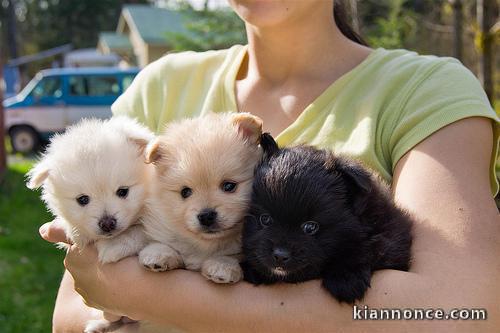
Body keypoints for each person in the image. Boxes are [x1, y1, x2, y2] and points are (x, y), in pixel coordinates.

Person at [40, 1, 500, 332]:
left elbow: (460, 314)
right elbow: (72, 313)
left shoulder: (423, 89)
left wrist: (143, 296)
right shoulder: (159, 88)